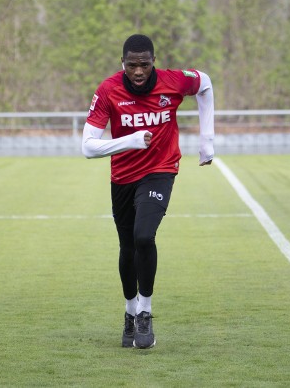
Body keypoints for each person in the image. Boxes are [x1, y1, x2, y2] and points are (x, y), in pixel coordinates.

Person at [81, 34, 215, 349]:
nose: (138, 72)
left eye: (144, 64)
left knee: (144, 236)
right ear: (123, 64)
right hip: (123, 177)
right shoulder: (108, 90)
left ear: (153, 61)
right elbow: (87, 147)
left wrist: (207, 139)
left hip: (160, 171)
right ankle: (129, 314)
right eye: (132, 65)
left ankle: (145, 312)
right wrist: (130, 140)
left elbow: (205, 83)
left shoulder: (173, 81)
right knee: (127, 248)